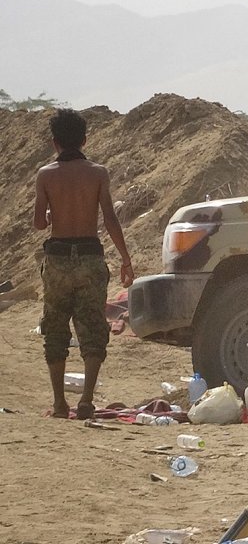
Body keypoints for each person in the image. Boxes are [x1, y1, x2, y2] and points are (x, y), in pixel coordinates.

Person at [33, 108, 135, 420]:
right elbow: (110, 218)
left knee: (55, 328)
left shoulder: (46, 175)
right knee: (92, 326)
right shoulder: (98, 173)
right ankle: (87, 399)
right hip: (91, 256)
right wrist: (125, 259)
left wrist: (51, 214)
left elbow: (39, 223)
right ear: (85, 140)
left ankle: (60, 403)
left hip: (58, 257)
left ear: (55, 142)